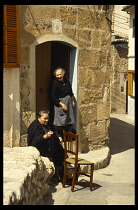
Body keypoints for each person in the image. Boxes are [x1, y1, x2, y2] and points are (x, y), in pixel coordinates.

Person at [27, 109, 64, 181]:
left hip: (52, 147)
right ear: (39, 118)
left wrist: (58, 136)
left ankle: (62, 176)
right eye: (45, 118)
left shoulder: (47, 124)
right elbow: (35, 142)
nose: (47, 120)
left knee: (60, 154)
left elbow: (54, 129)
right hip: (42, 150)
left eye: (47, 118)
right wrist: (45, 136)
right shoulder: (36, 126)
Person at [51, 67, 75, 141]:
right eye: (57, 75)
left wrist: (72, 100)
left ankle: (67, 136)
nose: (59, 76)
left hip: (68, 102)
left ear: (63, 74)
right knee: (59, 121)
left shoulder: (66, 80)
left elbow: (70, 91)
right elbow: (53, 97)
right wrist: (61, 104)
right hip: (60, 103)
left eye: (60, 74)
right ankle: (59, 136)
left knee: (68, 119)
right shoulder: (55, 83)